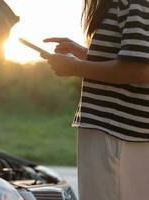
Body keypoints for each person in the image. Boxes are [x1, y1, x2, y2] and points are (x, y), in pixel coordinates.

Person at [41, 0, 149, 199]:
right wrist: (83, 53)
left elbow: (140, 70)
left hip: (118, 135)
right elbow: (131, 58)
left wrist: (74, 67)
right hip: (115, 133)